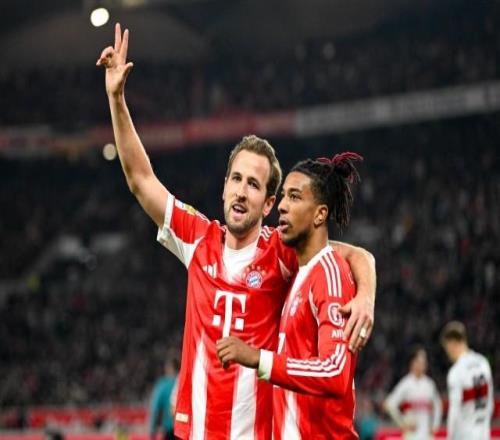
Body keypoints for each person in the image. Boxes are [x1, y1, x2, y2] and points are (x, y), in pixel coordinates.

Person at [97, 24, 376, 439]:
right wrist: (117, 99)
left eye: (254, 184)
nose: (242, 191)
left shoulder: (281, 250)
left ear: (268, 203)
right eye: (237, 179)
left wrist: (366, 295)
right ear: (224, 187)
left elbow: (352, 256)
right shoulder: (198, 238)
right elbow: (141, 179)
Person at [216, 153, 366, 439]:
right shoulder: (299, 276)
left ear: (320, 214)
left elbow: (335, 372)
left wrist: (258, 358)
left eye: (295, 197)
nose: (282, 206)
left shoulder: (329, 274)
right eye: (283, 196)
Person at [440, 321, 494, 440]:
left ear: (451, 343)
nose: (447, 353)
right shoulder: (483, 362)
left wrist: (450, 437)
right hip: (484, 433)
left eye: (446, 348)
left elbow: (454, 412)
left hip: (465, 435)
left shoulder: (456, 372)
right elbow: (490, 403)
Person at [383, 347, 442, 440]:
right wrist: (402, 423)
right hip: (411, 435)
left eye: (424, 362)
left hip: (426, 435)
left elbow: (438, 405)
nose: (422, 364)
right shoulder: (406, 383)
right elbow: (389, 404)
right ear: (412, 363)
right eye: (419, 361)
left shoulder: (429, 384)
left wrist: (435, 425)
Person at [150, 357, 179, 440]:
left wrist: (152, 431)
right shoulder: (184, 382)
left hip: (169, 430)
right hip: (183, 430)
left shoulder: (163, 385)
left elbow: (155, 409)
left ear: (168, 368)